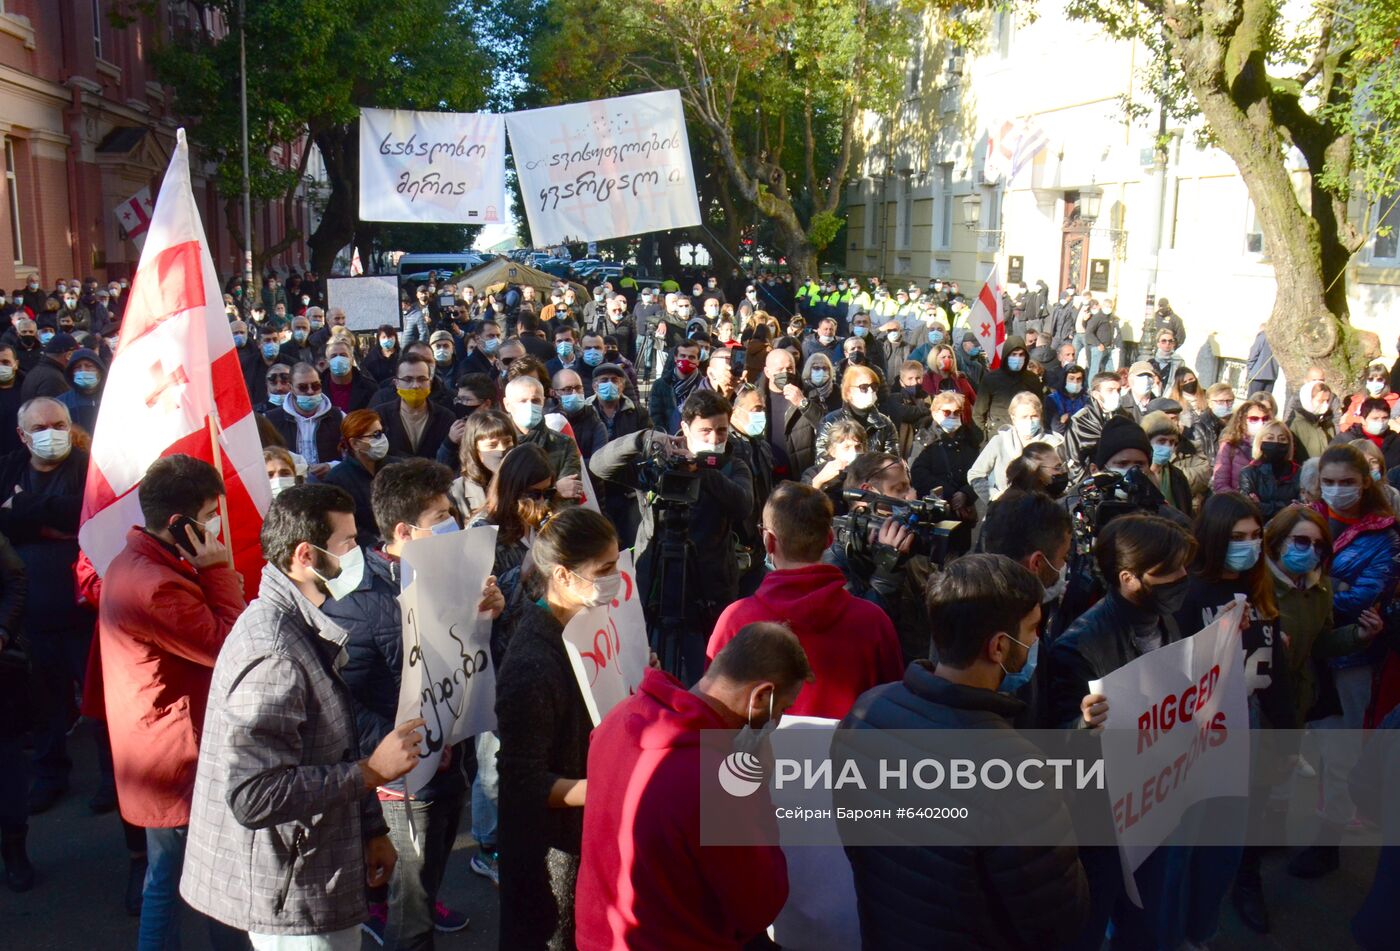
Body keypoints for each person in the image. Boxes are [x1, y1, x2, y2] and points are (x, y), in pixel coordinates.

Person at [180, 485, 426, 949]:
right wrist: (373, 772)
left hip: (312, 869)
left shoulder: (300, 625)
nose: (359, 553)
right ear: (305, 555)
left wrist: (371, 828)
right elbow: (255, 794)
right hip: (293, 894)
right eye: (348, 543)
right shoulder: (274, 651)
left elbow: (333, 743)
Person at [836, 554, 1090, 949]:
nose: (1038, 641)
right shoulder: (1016, 772)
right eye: (1034, 629)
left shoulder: (866, 714)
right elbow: (1058, 921)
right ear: (1000, 647)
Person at [324, 459, 499, 946]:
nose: (454, 524)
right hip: (404, 779)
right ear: (404, 530)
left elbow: (472, 657)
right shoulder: (360, 599)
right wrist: (391, 760)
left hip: (450, 758)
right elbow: (348, 705)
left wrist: (491, 617)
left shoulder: (452, 574)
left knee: (427, 880)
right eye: (441, 515)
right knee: (411, 910)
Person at [576, 622, 808, 951]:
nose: (778, 722)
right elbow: (760, 905)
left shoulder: (619, 717)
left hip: (598, 935)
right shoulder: (719, 783)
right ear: (761, 697)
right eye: (782, 709)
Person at [98, 455, 247, 951]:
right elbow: (230, 646)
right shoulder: (157, 585)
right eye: (209, 516)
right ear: (180, 523)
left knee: (167, 874)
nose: (215, 527)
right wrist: (220, 575)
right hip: (179, 755)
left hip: (158, 745)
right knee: (215, 882)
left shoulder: (137, 564)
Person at [1047, 514, 1198, 948]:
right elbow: (1058, 746)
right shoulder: (1079, 645)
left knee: (1147, 913)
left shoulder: (1165, 617)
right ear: (1129, 577)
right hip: (1106, 818)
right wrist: (1083, 724)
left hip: (1155, 796)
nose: (1182, 577)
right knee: (1095, 916)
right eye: (1168, 570)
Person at [495, 507, 618, 950]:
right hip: (550, 855)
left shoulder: (586, 626)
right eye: (604, 570)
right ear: (564, 576)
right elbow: (523, 783)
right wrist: (610, 785)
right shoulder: (532, 663)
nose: (615, 579)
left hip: (581, 835)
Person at [1173, 492, 1293, 939]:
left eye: (1256, 535)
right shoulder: (1188, 594)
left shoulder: (1262, 592)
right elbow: (1173, 673)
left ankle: (1244, 886)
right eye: (1237, 537)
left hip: (1254, 727)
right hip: (1202, 739)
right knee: (1199, 837)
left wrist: (1288, 732)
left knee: (1243, 826)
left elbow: (1274, 670)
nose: (1249, 544)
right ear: (1214, 538)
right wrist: (1213, 638)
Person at [1288, 444, 1400, 878]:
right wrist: (1327, 586)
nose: (1337, 491)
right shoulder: (1304, 520)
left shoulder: (1384, 535)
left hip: (1351, 655)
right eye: (1329, 482)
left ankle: (1328, 839)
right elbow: (1275, 573)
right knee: (1287, 742)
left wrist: (1312, 586)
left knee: (1340, 750)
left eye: (1347, 482)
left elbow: (1365, 597)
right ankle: (1267, 829)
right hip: (1296, 649)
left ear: (1365, 483)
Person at [591, 390, 754, 682]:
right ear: (685, 428)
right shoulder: (659, 465)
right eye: (705, 431)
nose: (714, 439)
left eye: (721, 431)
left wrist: (702, 469)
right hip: (656, 582)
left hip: (708, 591)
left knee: (704, 677)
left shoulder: (733, 465)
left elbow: (743, 504)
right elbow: (599, 465)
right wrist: (643, 440)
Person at [708, 478, 901, 717]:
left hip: (758, 754)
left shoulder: (736, 619)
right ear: (830, 538)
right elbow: (893, 710)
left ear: (768, 540)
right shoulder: (873, 622)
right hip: (849, 753)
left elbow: (713, 710)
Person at [0, 398, 91, 814]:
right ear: (22, 434)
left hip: (84, 609)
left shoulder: (89, 468)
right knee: (45, 703)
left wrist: (27, 510)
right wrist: (50, 521)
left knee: (98, 702)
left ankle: (111, 779)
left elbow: (86, 514)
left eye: (58, 424)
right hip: (29, 612)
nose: (50, 434)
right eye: (39, 428)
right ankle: (51, 774)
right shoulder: (9, 469)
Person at [470, 443, 556, 579]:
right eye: (534, 494)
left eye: (548, 492)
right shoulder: (483, 530)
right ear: (513, 490)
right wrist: (523, 570)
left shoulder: (546, 520)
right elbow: (482, 593)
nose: (542, 501)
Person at [969, 392, 1065, 506]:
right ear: (1013, 418)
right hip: (1005, 509)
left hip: (1043, 510)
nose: (1030, 421)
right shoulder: (1000, 441)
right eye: (1024, 417)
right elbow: (975, 474)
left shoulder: (1054, 444)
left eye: (1034, 416)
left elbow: (1065, 478)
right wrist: (994, 496)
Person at [502, 376, 585, 502]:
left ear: (543, 401)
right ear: (507, 404)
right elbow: (498, 496)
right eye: (522, 401)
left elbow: (571, 497)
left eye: (535, 401)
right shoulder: (497, 445)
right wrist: (554, 491)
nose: (529, 406)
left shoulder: (564, 444)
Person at [321, 410, 395, 547]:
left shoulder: (397, 468)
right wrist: (378, 545)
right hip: (365, 550)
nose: (382, 439)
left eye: (381, 432)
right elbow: (342, 523)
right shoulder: (337, 479)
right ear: (355, 443)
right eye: (375, 435)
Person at [266, 363, 343, 477]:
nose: (310, 391)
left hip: (330, 482)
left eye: (315, 386)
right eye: (303, 387)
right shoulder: (271, 420)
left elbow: (354, 454)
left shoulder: (339, 416)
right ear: (291, 388)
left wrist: (331, 466)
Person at [376, 354, 455, 461]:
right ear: (396, 383)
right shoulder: (379, 415)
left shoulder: (445, 417)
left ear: (430, 383)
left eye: (422, 379)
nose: (415, 385)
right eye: (408, 380)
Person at [450, 409, 516, 520]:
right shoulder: (456, 491)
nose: (502, 449)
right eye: (492, 445)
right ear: (474, 449)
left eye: (507, 442)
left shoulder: (523, 483)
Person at [972, 335, 1042, 434]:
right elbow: (978, 413)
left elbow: (1040, 408)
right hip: (999, 434)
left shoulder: (1032, 379)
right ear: (1006, 355)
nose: (1017, 358)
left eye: (1021, 355)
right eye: (1014, 354)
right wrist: (986, 438)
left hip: (1026, 433)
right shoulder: (991, 379)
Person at [1065, 371, 1127, 476]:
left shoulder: (1125, 417)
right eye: (1110, 390)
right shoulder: (1080, 421)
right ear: (1096, 394)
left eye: (1118, 390)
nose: (1116, 394)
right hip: (1093, 481)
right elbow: (1074, 463)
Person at [1236, 420, 1301, 517]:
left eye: (1282, 439)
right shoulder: (1249, 473)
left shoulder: (1299, 472)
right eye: (1270, 438)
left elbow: (1302, 507)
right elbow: (1249, 509)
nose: (1276, 443)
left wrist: (1262, 506)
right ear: (1260, 442)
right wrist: (1287, 508)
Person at [1140, 410, 1195, 518]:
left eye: (1172, 442)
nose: (1168, 447)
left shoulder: (1177, 476)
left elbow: (1187, 513)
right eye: (1161, 441)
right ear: (1146, 441)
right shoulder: (1137, 475)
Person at [1212, 396, 1273, 493]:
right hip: (1237, 503)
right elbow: (1220, 484)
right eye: (1254, 419)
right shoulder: (1230, 445)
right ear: (1243, 420)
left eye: (1265, 418)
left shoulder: (1274, 446)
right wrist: (1243, 501)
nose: (1261, 422)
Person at [550, 369, 606, 463]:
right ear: (554, 393)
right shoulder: (550, 422)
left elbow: (599, 462)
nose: (574, 393)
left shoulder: (595, 421)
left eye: (578, 388)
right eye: (567, 389)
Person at [1336, 396, 1400, 470]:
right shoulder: (1344, 440)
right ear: (1363, 420)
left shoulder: (1396, 441)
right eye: (1375, 418)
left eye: (1384, 418)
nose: (1380, 422)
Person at [1339, 362, 1400, 432]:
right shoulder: (1358, 400)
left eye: (1379, 380)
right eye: (1370, 379)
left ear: (1386, 381)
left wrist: (1352, 419)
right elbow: (1343, 424)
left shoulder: (1394, 402)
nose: (1374, 383)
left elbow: (1384, 424)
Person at [57, 347, 105, 433]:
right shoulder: (61, 403)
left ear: (99, 370)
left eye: (89, 366)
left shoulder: (112, 397)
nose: (83, 370)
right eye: (77, 367)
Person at [322, 337, 376, 413]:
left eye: (343, 355)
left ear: (352, 359)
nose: (338, 360)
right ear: (327, 361)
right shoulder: (316, 388)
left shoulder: (370, 387)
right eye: (333, 356)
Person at [1291, 380, 1338, 462]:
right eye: (1321, 401)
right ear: (1308, 400)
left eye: (1327, 401)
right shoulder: (1294, 425)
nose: (1325, 405)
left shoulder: (1327, 423)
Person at [1048, 363, 1088, 435]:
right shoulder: (1052, 400)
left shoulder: (1086, 399)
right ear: (1064, 379)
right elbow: (1055, 428)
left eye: (1079, 379)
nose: (1075, 382)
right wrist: (1063, 421)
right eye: (1071, 378)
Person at [1245, 327, 1279, 396]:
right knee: (1266, 402)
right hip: (1272, 376)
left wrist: (1249, 372)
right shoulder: (1278, 339)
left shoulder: (1262, 337)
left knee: (1253, 401)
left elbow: (1253, 355)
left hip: (1257, 375)